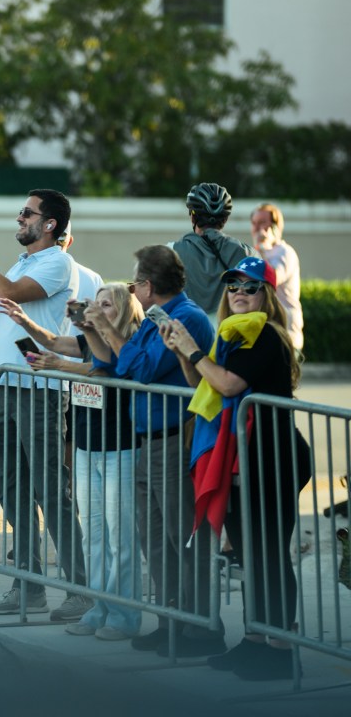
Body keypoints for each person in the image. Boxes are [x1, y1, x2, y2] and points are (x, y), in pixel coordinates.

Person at [0, 189, 91, 621]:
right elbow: (13, 317)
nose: (19, 217)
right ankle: (28, 586)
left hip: (37, 389)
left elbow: (10, 291)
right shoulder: (24, 262)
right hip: (7, 385)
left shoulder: (57, 262)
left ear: (50, 225)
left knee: (50, 488)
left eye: (27, 213)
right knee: (11, 487)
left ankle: (79, 588)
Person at [162, 256, 309, 680]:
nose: (239, 293)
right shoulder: (231, 335)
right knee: (249, 553)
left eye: (250, 287)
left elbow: (228, 384)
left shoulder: (264, 334)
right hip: (243, 456)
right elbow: (202, 384)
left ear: (267, 296)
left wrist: (192, 349)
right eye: (233, 287)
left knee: (268, 556)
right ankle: (256, 640)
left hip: (274, 455)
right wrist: (184, 352)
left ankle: (282, 650)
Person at [88, 244, 222, 656]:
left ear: (147, 285)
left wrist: (110, 333)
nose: (132, 288)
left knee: (184, 539)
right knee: (156, 541)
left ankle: (200, 628)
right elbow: (124, 365)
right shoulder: (157, 317)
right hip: (149, 439)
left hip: (174, 438)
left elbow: (140, 369)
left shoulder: (186, 317)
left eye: (135, 281)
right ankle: (170, 623)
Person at [5, 284, 145, 640]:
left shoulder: (129, 344)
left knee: (120, 537)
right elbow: (54, 342)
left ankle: (124, 615)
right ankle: (98, 607)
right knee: (94, 535)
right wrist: (24, 322)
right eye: (94, 303)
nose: (97, 309)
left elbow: (107, 370)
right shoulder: (90, 339)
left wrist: (62, 365)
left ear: (125, 312)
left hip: (120, 448)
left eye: (106, 305)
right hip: (86, 447)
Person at [169, 183, 256, 321]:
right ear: (225, 219)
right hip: (230, 338)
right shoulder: (248, 254)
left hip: (186, 335)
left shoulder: (170, 252)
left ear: (192, 217)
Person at [250, 203, 303, 353]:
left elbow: (271, 279)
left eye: (262, 222)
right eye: (254, 223)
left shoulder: (285, 252)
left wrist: (264, 247)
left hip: (285, 335)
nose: (256, 228)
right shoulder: (255, 252)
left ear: (275, 226)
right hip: (263, 334)